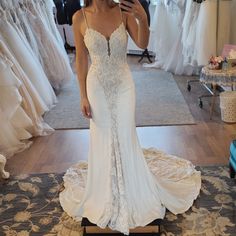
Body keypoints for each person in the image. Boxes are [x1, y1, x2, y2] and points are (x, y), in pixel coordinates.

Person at [59, 0, 201, 235]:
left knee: (125, 136)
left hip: (124, 84)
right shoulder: (79, 17)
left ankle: (133, 191)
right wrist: (83, 95)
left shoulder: (122, 12)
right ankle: (104, 193)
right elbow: (81, 59)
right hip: (97, 87)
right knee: (103, 138)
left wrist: (143, 19)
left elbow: (143, 42)